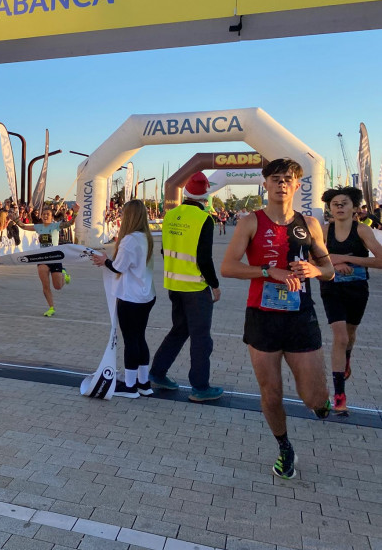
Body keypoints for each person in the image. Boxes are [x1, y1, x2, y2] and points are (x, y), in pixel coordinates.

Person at [220, 158, 334, 480]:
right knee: (271, 393)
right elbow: (228, 267)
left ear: (297, 185)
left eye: (288, 179)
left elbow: (327, 271)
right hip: (262, 318)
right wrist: (269, 271)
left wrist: (314, 270)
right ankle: (284, 447)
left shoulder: (310, 224)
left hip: (300, 316)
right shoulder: (250, 222)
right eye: (276, 178)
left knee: (313, 397)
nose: (282, 183)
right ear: (266, 184)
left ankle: (320, 399)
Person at [149, 172, 224, 402]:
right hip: (195, 288)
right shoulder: (204, 219)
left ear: (186, 193)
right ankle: (200, 388)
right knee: (201, 338)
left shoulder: (170, 215)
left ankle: (157, 373)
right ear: (205, 196)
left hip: (174, 284)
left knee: (179, 330)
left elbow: (164, 250)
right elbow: (204, 258)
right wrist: (215, 285)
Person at [319, 186, 382, 413]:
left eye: (344, 203)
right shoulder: (324, 231)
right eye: (335, 204)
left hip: (357, 289)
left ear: (355, 207)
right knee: (340, 335)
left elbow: (380, 261)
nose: (339, 207)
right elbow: (312, 259)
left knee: (350, 334)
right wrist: (333, 264)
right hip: (331, 288)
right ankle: (339, 396)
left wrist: (345, 258)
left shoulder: (362, 231)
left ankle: (346, 358)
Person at [90, 200, 157, 398]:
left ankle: (130, 386)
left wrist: (104, 261)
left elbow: (118, 267)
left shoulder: (129, 240)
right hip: (146, 295)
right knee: (140, 337)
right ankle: (143, 383)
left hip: (131, 297)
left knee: (131, 340)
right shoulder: (147, 237)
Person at [12, 206, 72, 317]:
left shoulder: (56, 226)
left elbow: (69, 224)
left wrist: (76, 212)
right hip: (43, 258)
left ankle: (64, 274)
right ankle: (51, 308)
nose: (45, 216)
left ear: (52, 216)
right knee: (45, 284)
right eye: (43, 214)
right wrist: (15, 219)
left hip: (55, 258)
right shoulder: (38, 227)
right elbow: (23, 226)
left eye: (47, 214)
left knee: (58, 286)